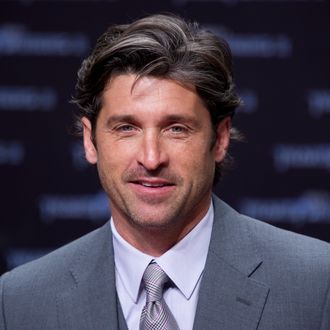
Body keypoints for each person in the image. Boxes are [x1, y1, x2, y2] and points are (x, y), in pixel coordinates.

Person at [0, 14, 329, 330]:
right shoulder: (19, 302)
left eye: (176, 129)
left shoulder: (316, 284)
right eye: (127, 127)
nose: (151, 157)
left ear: (221, 138)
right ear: (90, 140)